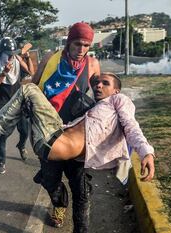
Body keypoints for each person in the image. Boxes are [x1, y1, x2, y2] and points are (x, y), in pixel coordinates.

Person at [0, 72, 155, 182]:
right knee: (26, 97)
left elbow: (131, 125)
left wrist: (146, 152)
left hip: (55, 144)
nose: (98, 86)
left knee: (29, 89)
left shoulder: (119, 100)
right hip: (55, 136)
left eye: (105, 83)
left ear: (116, 90)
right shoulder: (96, 107)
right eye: (97, 82)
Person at [29, 22, 100, 232]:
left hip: (76, 135)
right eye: (78, 44)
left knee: (82, 189)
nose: (81, 50)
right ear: (69, 42)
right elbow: (34, 88)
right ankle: (59, 203)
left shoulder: (93, 64)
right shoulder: (50, 59)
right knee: (51, 181)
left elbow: (100, 94)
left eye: (86, 45)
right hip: (49, 132)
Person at [0, 37, 34, 174]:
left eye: (12, 52)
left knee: (25, 130)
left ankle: (21, 146)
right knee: (2, 134)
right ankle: (1, 161)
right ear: (1, 51)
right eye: (7, 53)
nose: (10, 55)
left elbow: (31, 73)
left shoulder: (17, 59)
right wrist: (4, 73)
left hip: (19, 99)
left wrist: (27, 58)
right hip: (4, 101)